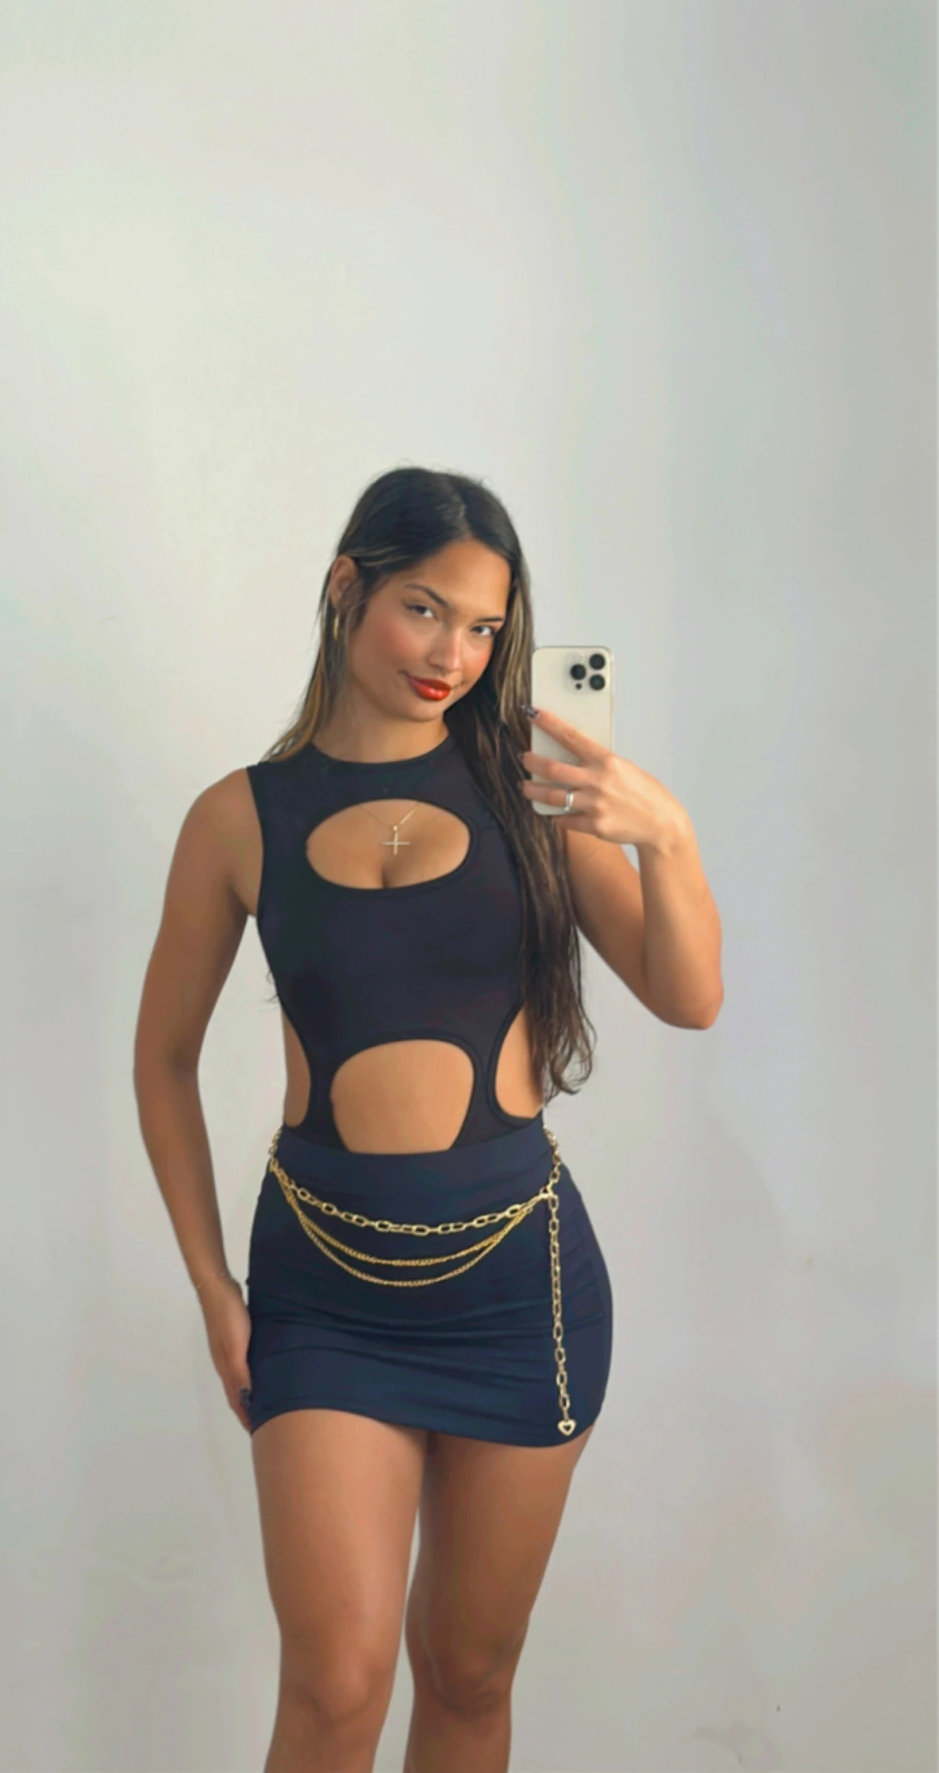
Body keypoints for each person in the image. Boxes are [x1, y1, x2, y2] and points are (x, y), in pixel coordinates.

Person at [133, 465, 723, 1773]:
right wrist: (214, 1288)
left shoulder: (535, 788)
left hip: (519, 1287)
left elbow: (689, 998)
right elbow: (162, 1060)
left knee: (467, 1673)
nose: (453, 655)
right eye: (424, 609)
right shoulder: (237, 818)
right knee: (335, 1688)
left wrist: (665, 838)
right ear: (346, 588)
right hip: (321, 1288)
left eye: (485, 628)